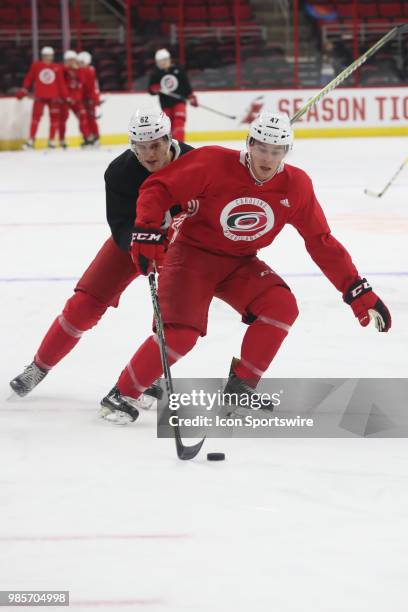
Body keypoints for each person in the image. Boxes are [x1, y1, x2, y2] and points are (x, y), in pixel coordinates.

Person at [102, 111, 392, 423]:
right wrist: (147, 229)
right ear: (249, 144)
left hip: (239, 263)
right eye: (262, 148)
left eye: (276, 150)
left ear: (286, 152)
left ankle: (240, 388)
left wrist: (356, 290)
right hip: (190, 257)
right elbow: (158, 187)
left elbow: (321, 242)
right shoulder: (213, 162)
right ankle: (122, 393)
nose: (267, 158)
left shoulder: (296, 186)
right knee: (181, 335)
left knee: (281, 306)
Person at [9, 109, 194, 416]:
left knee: (173, 320)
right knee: (83, 305)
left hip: (181, 248)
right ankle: (39, 366)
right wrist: (141, 245)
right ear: (132, 145)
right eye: (141, 146)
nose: (149, 154)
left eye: (156, 145)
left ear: (169, 139)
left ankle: (146, 376)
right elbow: (120, 226)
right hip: (132, 245)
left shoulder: (194, 161)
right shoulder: (120, 172)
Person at [16, 46, 68, 149]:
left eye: (50, 56)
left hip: (54, 97)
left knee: (54, 119)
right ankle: (31, 140)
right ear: (42, 56)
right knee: (35, 118)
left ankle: (52, 141)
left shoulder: (57, 67)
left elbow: (61, 83)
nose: (48, 58)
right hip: (40, 96)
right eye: (46, 56)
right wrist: (24, 89)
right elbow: (29, 78)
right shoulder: (36, 66)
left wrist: (65, 96)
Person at [148, 48, 198, 142]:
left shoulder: (178, 70)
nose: (161, 63)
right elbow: (151, 90)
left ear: (168, 59)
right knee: (168, 125)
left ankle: (180, 145)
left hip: (179, 101)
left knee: (179, 121)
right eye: (159, 62)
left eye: (163, 60)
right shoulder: (156, 74)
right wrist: (154, 88)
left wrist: (191, 96)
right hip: (165, 104)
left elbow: (186, 86)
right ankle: (171, 146)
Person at [59, 50, 91, 147]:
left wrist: (78, 70)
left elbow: (82, 81)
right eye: (69, 60)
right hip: (65, 100)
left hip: (76, 99)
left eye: (73, 60)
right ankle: (62, 140)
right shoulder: (62, 70)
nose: (71, 62)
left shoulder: (79, 70)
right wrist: (66, 97)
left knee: (83, 117)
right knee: (63, 119)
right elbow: (61, 84)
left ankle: (86, 137)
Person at [77, 50, 101, 145]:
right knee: (85, 118)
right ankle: (89, 136)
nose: (80, 64)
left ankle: (94, 136)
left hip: (90, 99)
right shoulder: (88, 70)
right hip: (86, 98)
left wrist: (94, 99)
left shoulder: (89, 71)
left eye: (81, 62)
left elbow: (87, 85)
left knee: (90, 119)